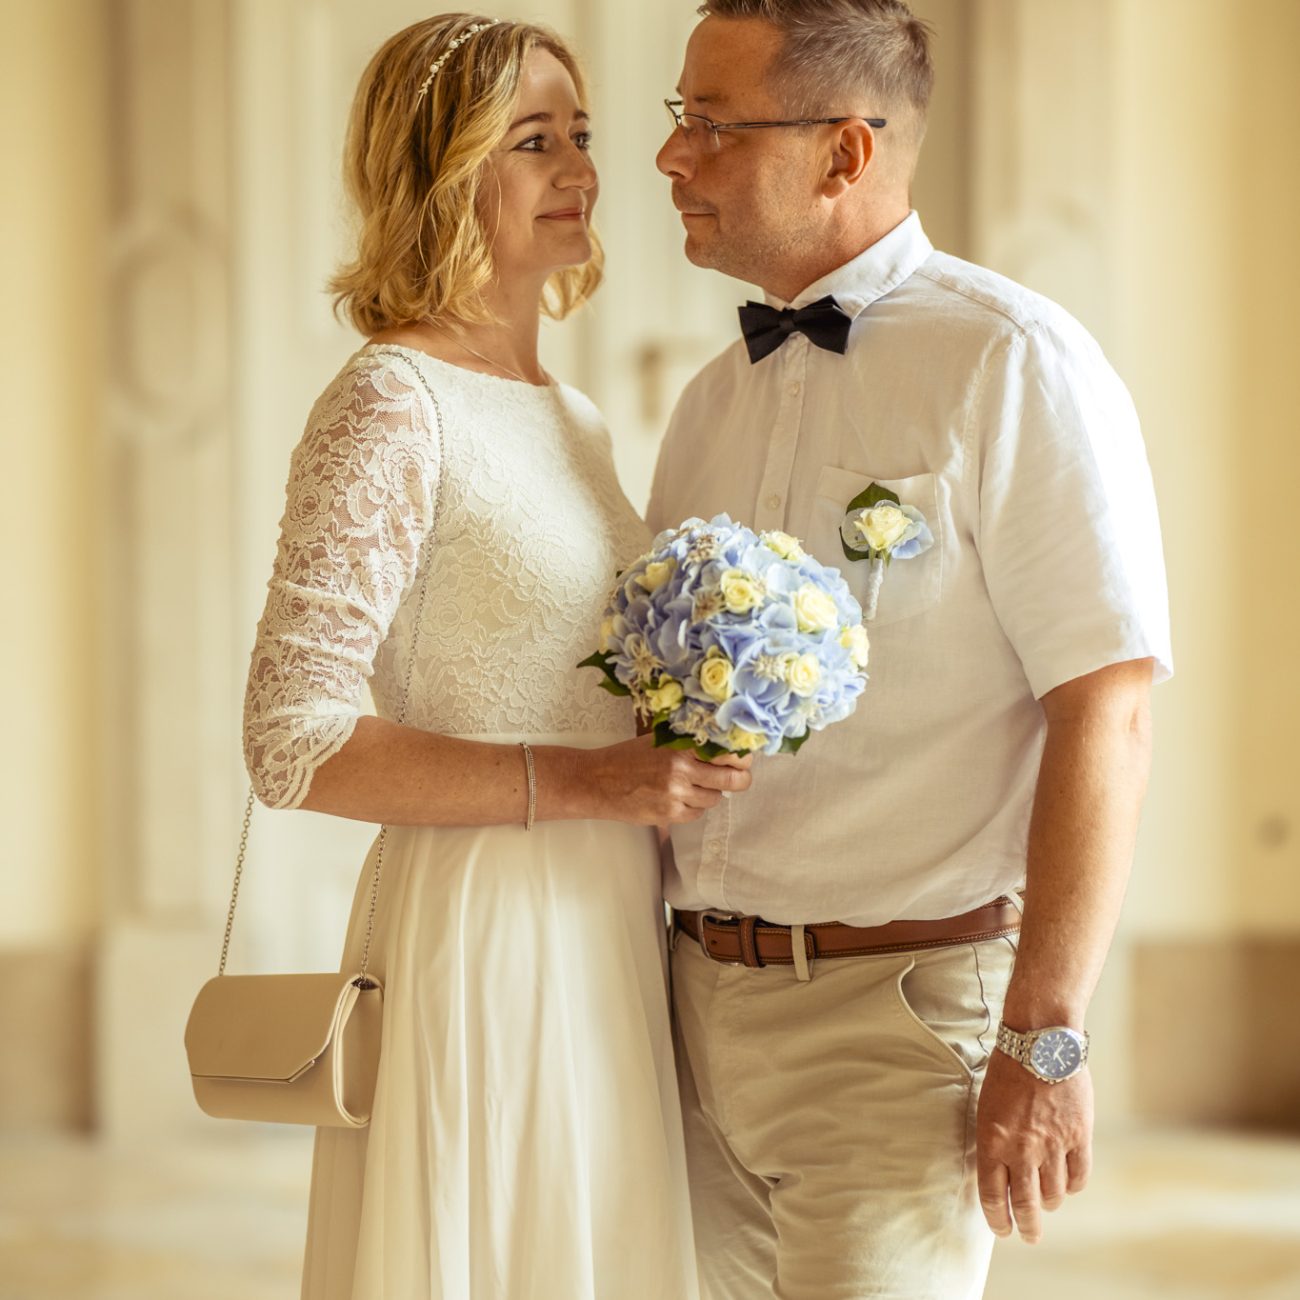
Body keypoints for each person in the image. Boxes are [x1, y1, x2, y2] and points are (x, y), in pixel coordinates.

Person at [648, 2, 1173, 1297]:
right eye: (679, 122)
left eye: (712, 125)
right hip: (684, 1017)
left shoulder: (1014, 365)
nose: (673, 160)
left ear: (844, 152)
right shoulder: (710, 401)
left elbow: (1107, 705)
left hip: (896, 1024)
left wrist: (1045, 1042)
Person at [241, 14, 752, 1298]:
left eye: (580, 134)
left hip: (611, 922)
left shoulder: (570, 414)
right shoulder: (391, 402)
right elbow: (289, 738)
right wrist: (589, 785)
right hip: (483, 929)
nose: (583, 167)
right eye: (534, 142)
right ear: (440, 171)